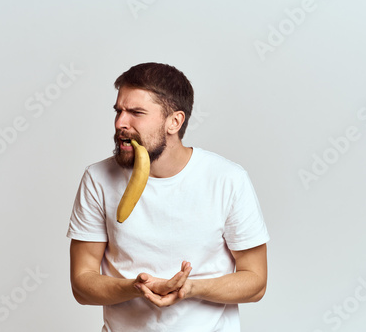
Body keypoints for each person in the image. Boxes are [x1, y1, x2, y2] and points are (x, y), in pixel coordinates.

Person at [67, 62, 270, 332]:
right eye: (118, 111)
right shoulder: (98, 178)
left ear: (174, 121)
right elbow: (83, 284)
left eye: (136, 113)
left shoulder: (228, 179)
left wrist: (190, 287)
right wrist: (136, 287)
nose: (120, 124)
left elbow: (256, 282)